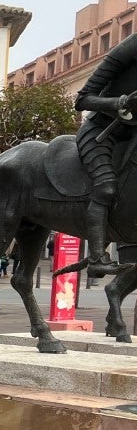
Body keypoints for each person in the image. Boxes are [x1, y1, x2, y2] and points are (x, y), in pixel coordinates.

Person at [74, 32, 137, 268]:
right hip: (101, 131)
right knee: (106, 187)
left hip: (132, 137)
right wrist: (120, 102)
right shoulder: (131, 47)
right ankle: (97, 257)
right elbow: (82, 100)